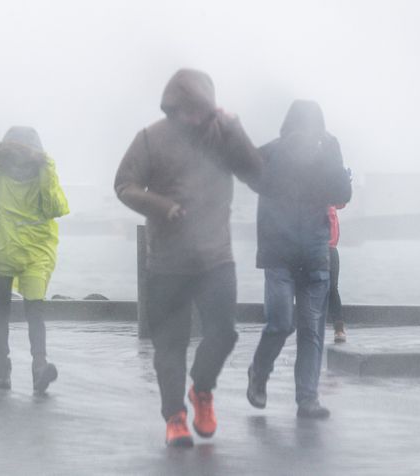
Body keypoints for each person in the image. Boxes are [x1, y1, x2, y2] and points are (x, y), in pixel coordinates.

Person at [115, 69, 261, 447]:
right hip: (166, 260)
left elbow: (257, 176)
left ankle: (203, 390)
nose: (195, 118)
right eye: (188, 111)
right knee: (170, 345)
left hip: (216, 255)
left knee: (224, 332)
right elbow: (124, 185)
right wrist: (162, 206)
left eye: (201, 110)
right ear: (173, 108)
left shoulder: (222, 135)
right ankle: (175, 417)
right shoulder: (150, 138)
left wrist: (235, 128)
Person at [246, 100, 352, 419]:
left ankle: (308, 398)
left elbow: (343, 195)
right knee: (280, 322)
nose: (308, 134)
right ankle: (258, 373)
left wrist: (332, 153)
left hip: (315, 254)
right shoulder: (270, 153)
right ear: (290, 127)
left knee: (312, 330)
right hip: (279, 255)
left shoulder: (326, 157)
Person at [0, 127, 69, 394]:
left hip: (7, 252)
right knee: (33, 311)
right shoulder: (15, 175)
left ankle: (9, 369)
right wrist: (46, 171)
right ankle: (32, 366)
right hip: (32, 253)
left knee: (1, 312)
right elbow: (56, 208)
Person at [328, 204, 347, 343]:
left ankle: (339, 328)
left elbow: (342, 202)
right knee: (310, 288)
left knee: (332, 288)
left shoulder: (332, 196)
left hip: (331, 249)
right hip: (313, 247)